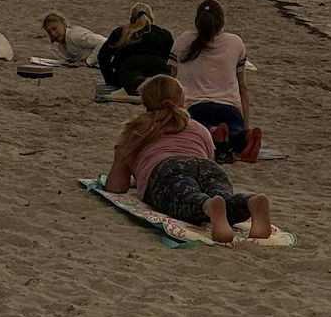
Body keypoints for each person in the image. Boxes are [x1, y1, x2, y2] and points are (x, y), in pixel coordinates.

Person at [104, 76, 272, 244]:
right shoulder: (199, 128)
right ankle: (250, 202)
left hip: (167, 168)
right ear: (182, 99)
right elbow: (209, 158)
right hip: (208, 166)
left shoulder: (135, 130)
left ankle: (208, 206)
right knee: (224, 198)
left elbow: (117, 185)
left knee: (185, 198)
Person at [168, 0, 261, 162]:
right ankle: (245, 137)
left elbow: (170, 83)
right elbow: (243, 88)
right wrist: (246, 125)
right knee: (235, 132)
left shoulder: (183, 41)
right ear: (222, 22)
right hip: (229, 108)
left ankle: (213, 133)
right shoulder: (235, 42)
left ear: (197, 22)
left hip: (194, 107)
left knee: (199, 131)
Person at [96, 2, 173, 102]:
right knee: (160, 80)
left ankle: (139, 85)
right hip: (159, 63)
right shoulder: (163, 34)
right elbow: (174, 58)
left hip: (130, 65)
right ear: (151, 18)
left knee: (133, 81)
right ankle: (151, 85)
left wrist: (111, 80)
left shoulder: (121, 32)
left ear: (131, 18)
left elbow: (102, 56)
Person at [40, 12, 106, 66]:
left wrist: (88, 62)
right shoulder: (62, 47)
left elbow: (103, 42)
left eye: (55, 29)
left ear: (63, 24)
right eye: (49, 32)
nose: (53, 34)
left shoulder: (74, 35)